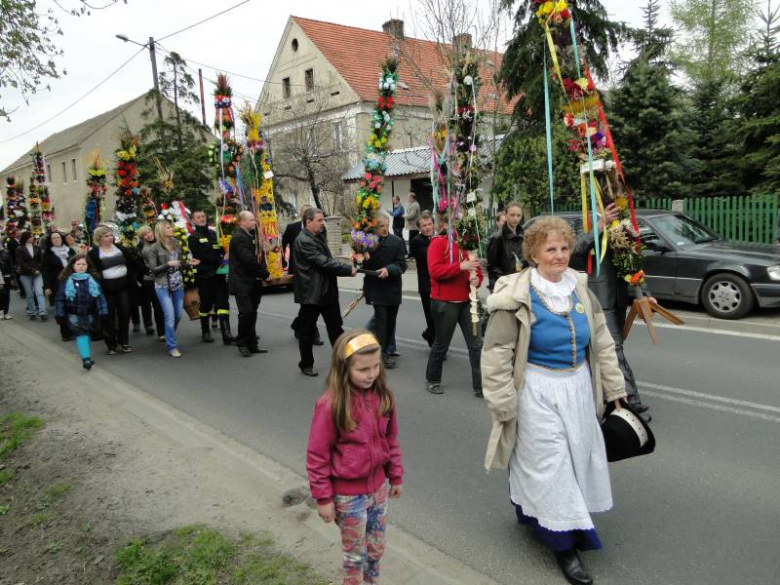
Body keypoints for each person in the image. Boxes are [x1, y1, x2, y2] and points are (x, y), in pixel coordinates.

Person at [481, 216, 627, 585]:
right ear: (533, 253)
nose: (560, 255)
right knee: (552, 464)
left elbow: (603, 343)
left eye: (564, 248)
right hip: (537, 390)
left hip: (577, 387)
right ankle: (565, 546)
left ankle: (537, 513)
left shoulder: (580, 289)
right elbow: (497, 352)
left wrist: (616, 392)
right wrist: (502, 401)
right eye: (551, 249)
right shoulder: (516, 296)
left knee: (575, 457)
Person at [306, 330, 404, 585]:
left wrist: (396, 475)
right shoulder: (331, 404)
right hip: (349, 497)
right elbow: (317, 456)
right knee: (355, 555)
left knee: (376, 548)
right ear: (344, 368)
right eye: (363, 369)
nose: (371, 374)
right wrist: (323, 498)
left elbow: (390, 440)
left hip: (379, 490)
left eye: (375, 366)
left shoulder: (384, 397)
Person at [571, 203, 651, 419]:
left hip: (618, 298)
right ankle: (632, 403)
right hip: (598, 296)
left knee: (607, 350)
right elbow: (576, 249)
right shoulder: (585, 219)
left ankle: (602, 395)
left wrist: (644, 292)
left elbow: (632, 262)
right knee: (614, 350)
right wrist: (600, 224)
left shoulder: (621, 221)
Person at [293, 208, 356, 376]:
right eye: (319, 221)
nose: (323, 224)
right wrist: (346, 269)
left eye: (323, 220)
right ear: (308, 222)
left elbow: (327, 260)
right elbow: (323, 263)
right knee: (307, 332)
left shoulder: (317, 236)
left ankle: (343, 361)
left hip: (326, 292)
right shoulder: (304, 240)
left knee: (336, 329)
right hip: (311, 294)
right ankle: (306, 364)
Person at [425, 220, 483, 396]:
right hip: (445, 302)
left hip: (467, 302)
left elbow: (477, 272)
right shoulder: (437, 243)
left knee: (476, 344)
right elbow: (435, 272)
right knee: (442, 344)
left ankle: (480, 385)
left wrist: (476, 280)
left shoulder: (468, 244)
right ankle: (433, 379)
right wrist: (460, 267)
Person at [361, 216, 406, 369]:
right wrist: (362, 257)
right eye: (381, 226)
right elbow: (363, 263)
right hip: (376, 288)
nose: (385, 229)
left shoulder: (397, 242)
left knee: (390, 322)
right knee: (381, 322)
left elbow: (402, 265)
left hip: (392, 288)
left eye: (387, 225)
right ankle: (382, 354)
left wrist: (389, 269)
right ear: (375, 227)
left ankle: (387, 348)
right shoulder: (368, 241)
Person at [144, 220, 191, 358]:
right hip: (162, 285)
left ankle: (169, 333)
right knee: (169, 316)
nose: (172, 229)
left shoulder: (176, 242)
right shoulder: (153, 248)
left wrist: (188, 264)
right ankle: (172, 346)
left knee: (178, 315)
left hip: (178, 283)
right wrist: (167, 264)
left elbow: (181, 263)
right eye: (169, 227)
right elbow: (152, 270)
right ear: (162, 230)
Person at [54, 254, 108, 370]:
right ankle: (86, 359)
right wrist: (59, 314)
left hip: (89, 313)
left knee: (86, 333)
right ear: (72, 266)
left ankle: (86, 355)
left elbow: (100, 297)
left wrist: (103, 311)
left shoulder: (93, 280)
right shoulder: (66, 281)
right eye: (78, 264)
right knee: (81, 333)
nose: (81, 266)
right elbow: (59, 298)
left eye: (84, 264)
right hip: (73, 313)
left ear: (88, 266)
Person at [189, 210, 234, 345]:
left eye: (203, 216)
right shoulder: (193, 237)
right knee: (206, 304)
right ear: (194, 220)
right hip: (204, 276)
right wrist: (221, 261)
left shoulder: (215, 234)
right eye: (198, 217)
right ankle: (205, 331)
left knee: (223, 303)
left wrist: (226, 251)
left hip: (219, 274)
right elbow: (202, 256)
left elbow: (221, 249)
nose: (202, 219)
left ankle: (227, 333)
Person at [229, 210, 270, 357]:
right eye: (252, 220)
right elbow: (248, 260)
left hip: (251, 281)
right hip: (242, 282)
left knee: (252, 313)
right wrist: (264, 273)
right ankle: (242, 342)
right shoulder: (240, 237)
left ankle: (252, 343)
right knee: (246, 313)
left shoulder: (249, 236)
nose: (254, 222)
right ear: (242, 222)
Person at [88, 226, 134, 355]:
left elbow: (132, 262)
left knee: (125, 313)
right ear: (99, 238)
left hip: (123, 285)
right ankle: (111, 344)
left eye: (111, 235)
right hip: (107, 288)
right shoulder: (94, 252)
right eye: (106, 236)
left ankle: (124, 341)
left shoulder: (120, 248)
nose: (110, 238)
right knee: (108, 316)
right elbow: (92, 270)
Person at [282, 204, 323, 346]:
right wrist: (282, 261)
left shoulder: (319, 230)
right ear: (303, 216)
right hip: (297, 270)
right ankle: (311, 333)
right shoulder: (292, 228)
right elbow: (283, 244)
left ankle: (299, 325)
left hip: (314, 270)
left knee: (309, 303)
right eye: (305, 213)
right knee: (308, 302)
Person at [408, 211, 436, 347]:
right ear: (420, 228)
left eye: (430, 224)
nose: (428, 227)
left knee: (439, 316)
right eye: (424, 225)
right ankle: (435, 344)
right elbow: (428, 256)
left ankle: (429, 333)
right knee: (431, 316)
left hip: (439, 283)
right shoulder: (416, 241)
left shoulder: (435, 238)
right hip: (426, 285)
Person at [42, 231, 75, 341]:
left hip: (73, 281)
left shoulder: (70, 250)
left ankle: (75, 328)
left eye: (58, 237)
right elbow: (45, 271)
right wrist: (46, 286)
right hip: (57, 284)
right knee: (62, 307)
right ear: (50, 241)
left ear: (62, 239)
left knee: (73, 306)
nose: (56, 239)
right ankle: (65, 332)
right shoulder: (48, 254)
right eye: (54, 238)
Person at [486, 202, 525, 291]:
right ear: (506, 215)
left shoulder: (523, 236)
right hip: (504, 287)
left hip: (521, 285)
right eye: (512, 215)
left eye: (518, 215)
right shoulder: (497, 238)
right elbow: (492, 266)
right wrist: (504, 283)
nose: (515, 218)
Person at [135, 226, 165, 340]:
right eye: (145, 234)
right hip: (151, 279)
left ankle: (166, 330)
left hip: (163, 277)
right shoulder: (143, 249)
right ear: (142, 238)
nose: (148, 235)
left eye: (149, 232)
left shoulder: (160, 241)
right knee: (158, 306)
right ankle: (161, 332)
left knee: (165, 306)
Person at [15, 231, 47, 321]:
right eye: (30, 236)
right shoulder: (19, 249)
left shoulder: (37, 247)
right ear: (25, 238)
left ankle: (43, 312)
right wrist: (33, 270)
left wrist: (38, 269)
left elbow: (41, 260)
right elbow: (21, 262)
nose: (32, 237)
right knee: (29, 294)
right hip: (25, 274)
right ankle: (32, 312)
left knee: (39, 292)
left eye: (32, 236)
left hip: (38, 274)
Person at [0, 242, 13, 320]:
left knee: (6, 295)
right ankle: (1, 311)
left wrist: (12, 277)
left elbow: (10, 265)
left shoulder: (6, 252)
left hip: (6, 276)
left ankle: (6, 312)